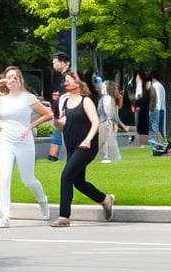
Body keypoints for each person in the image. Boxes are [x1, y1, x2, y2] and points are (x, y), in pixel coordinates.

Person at [0, 66, 53, 228]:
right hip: (5, 141)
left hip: (24, 141)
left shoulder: (28, 98)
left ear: (20, 80)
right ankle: (5, 215)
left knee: (28, 179)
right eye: (8, 78)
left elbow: (47, 114)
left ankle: (43, 200)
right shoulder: (1, 99)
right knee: (4, 176)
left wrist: (30, 126)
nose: (11, 80)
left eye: (14, 78)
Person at [49, 70, 114, 227]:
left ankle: (64, 217)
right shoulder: (64, 101)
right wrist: (56, 121)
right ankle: (105, 199)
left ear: (78, 83)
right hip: (72, 146)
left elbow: (95, 123)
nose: (66, 83)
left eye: (69, 80)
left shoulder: (86, 101)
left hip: (86, 146)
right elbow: (62, 124)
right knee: (78, 182)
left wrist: (88, 139)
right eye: (65, 81)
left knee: (66, 176)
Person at [98, 80, 130, 163]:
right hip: (108, 122)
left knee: (108, 139)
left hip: (109, 122)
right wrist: (122, 125)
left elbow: (116, 110)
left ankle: (107, 156)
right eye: (115, 88)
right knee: (108, 139)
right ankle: (108, 156)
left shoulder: (110, 99)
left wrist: (119, 97)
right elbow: (113, 114)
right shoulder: (109, 99)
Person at [47, 53, 69, 161]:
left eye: (55, 62)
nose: (53, 64)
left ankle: (54, 155)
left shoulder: (68, 77)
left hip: (64, 112)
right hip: (60, 111)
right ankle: (54, 155)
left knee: (60, 130)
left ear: (63, 62)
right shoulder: (62, 77)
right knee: (58, 130)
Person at [131, 70, 151, 146]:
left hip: (143, 108)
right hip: (139, 107)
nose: (136, 79)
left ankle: (143, 141)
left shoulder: (145, 86)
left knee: (143, 124)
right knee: (139, 125)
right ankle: (141, 141)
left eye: (137, 77)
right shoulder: (139, 86)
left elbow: (143, 98)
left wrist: (136, 103)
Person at [149, 70, 167, 145]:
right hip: (162, 108)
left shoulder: (155, 85)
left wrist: (152, 109)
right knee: (160, 128)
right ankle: (162, 142)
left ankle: (160, 142)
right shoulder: (161, 86)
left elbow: (156, 98)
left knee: (155, 128)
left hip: (156, 108)